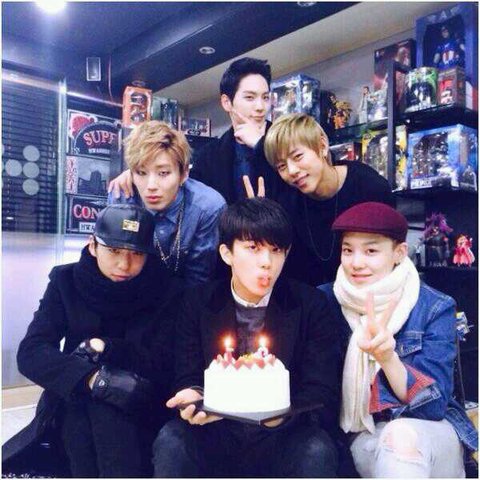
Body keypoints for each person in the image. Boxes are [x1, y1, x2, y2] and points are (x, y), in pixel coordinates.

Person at [152, 197, 340, 478]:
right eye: (253, 248)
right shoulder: (198, 303)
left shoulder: (310, 304)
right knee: (172, 441)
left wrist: (279, 416)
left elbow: (321, 390)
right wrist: (194, 396)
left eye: (276, 250)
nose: (266, 263)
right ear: (227, 253)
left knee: (316, 449)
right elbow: (187, 372)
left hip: (282, 436)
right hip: (216, 430)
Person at [3, 205, 182, 478]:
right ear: (93, 245)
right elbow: (31, 352)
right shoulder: (66, 281)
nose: (124, 264)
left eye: (136, 254)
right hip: (78, 397)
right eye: (114, 251)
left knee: (106, 418)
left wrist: (107, 347)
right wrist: (95, 380)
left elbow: (163, 361)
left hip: (141, 401)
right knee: (87, 412)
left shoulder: (167, 290)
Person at [317, 202, 478, 477]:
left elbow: (433, 406)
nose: (356, 263)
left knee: (400, 436)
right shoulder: (324, 301)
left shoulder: (434, 307)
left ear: (399, 253)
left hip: (428, 429)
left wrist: (387, 358)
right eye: (348, 250)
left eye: (371, 251)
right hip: (363, 432)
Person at [109, 57, 287, 205]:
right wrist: (136, 172)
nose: (260, 107)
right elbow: (181, 184)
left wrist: (262, 145)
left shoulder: (288, 140)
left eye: (265, 97)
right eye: (250, 97)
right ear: (227, 102)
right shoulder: (211, 155)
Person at [263, 112, 395, 286]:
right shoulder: (287, 204)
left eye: (298, 157)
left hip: (369, 289)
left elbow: (386, 258)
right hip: (314, 298)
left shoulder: (370, 188)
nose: (292, 170)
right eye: (282, 166)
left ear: (322, 146)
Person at [109, 120, 226, 285]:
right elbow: (113, 266)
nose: (151, 186)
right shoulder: (122, 198)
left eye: (163, 173)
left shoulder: (207, 207)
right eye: (141, 172)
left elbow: (198, 279)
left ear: (184, 174)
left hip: (185, 294)